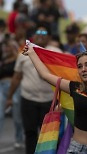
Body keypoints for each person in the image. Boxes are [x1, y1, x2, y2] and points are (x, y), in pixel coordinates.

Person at [6, 25, 54, 154]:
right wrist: (9, 97)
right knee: (30, 132)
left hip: (49, 100)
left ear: (49, 37)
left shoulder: (55, 53)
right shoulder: (23, 54)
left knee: (48, 135)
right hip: (28, 99)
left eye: (44, 32)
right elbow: (16, 77)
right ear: (33, 36)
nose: (41, 34)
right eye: (38, 32)